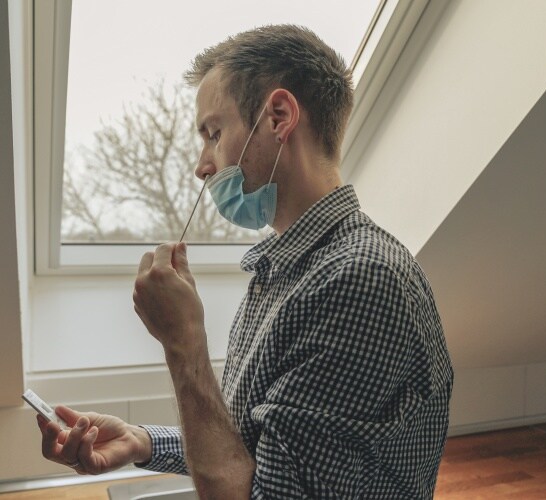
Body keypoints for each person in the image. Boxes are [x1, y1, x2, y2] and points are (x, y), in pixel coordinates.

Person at [37, 25, 453, 499]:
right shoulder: (285, 269)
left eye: (214, 133)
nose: (201, 165)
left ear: (279, 117)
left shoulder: (359, 283)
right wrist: (143, 441)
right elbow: (255, 447)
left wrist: (184, 345)